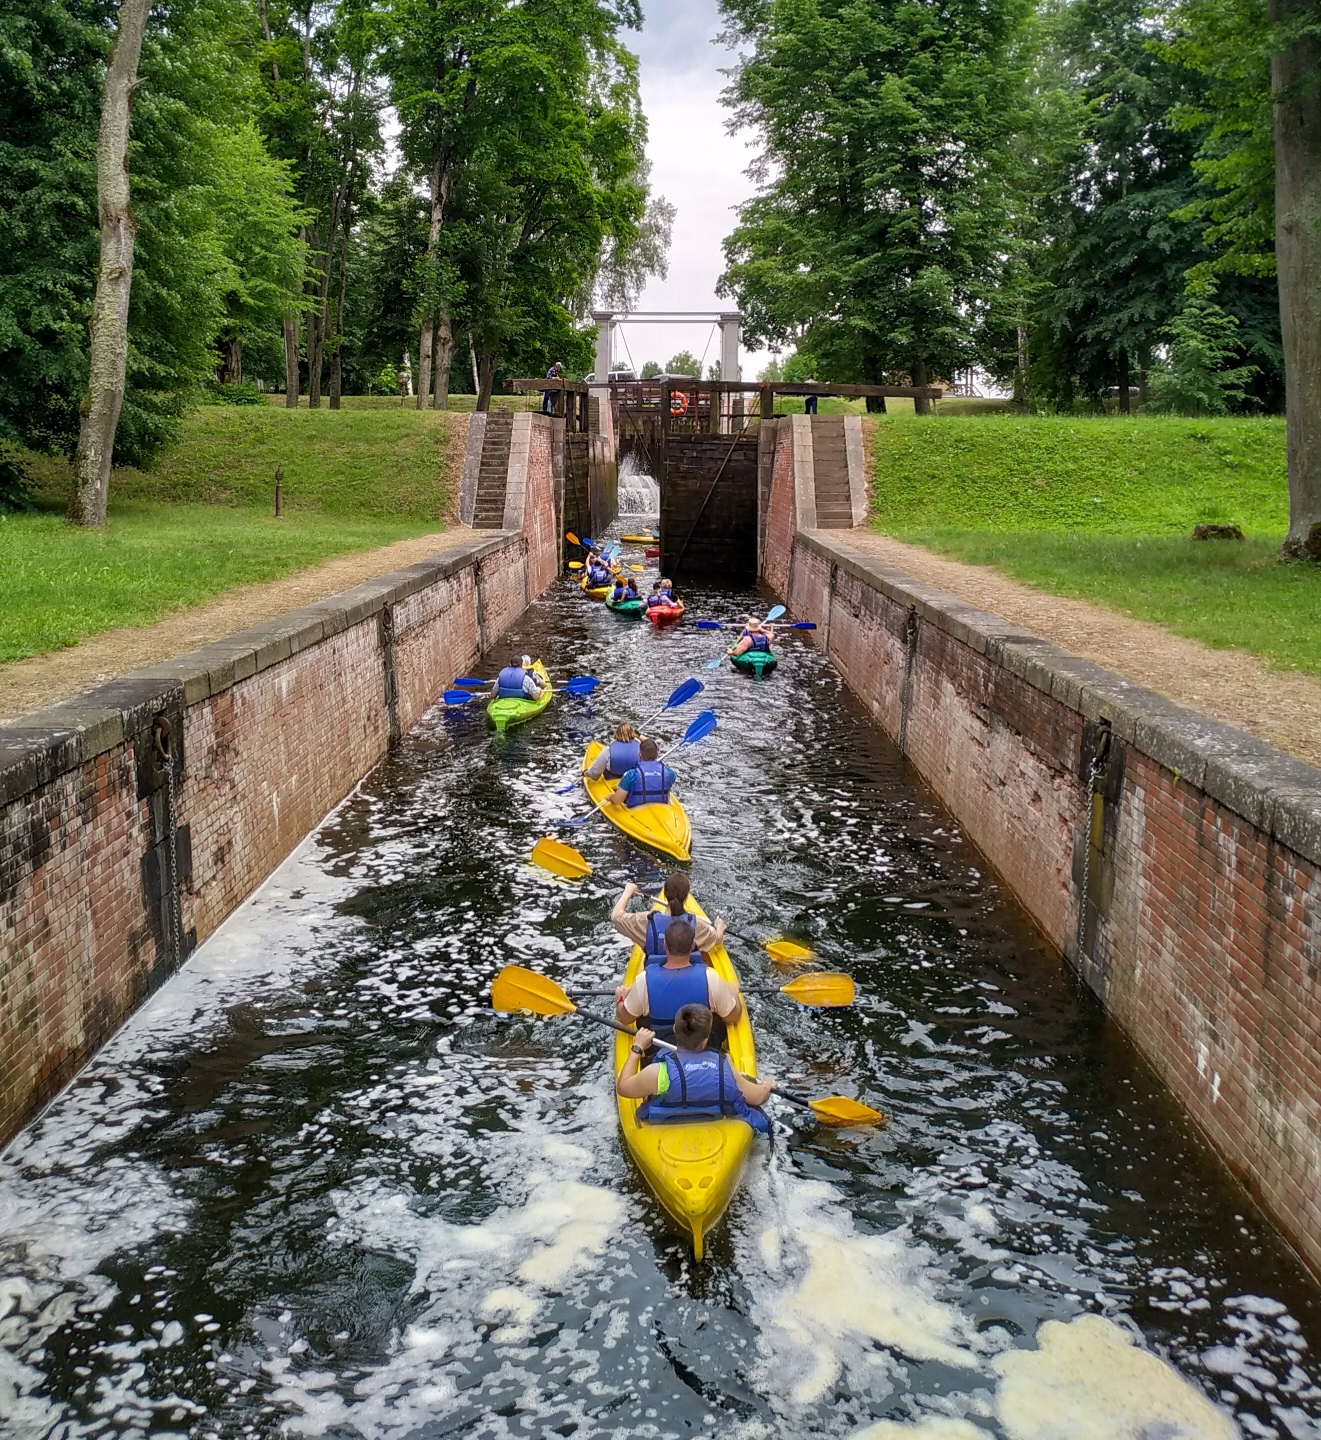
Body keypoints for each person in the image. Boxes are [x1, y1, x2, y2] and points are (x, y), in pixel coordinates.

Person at [616, 1004, 774, 1134]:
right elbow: (758, 1098)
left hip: (661, 1128)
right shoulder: (724, 1068)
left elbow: (623, 1087)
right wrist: (768, 1086)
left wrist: (638, 1047)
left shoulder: (657, 1073)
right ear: (705, 1041)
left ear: (674, 1030)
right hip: (712, 1126)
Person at [614, 918, 743, 1042]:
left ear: (664, 945)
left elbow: (625, 1019)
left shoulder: (643, 980)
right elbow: (733, 1016)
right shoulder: (711, 978)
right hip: (700, 1046)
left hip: (660, 1050)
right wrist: (734, 994)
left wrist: (621, 999)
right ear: (693, 946)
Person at [610, 875, 726, 958]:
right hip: (685, 975)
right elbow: (716, 939)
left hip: (654, 977)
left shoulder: (645, 920)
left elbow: (615, 916)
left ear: (665, 894)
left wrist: (628, 892)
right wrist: (719, 928)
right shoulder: (697, 926)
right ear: (686, 897)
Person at [607, 736, 676, 809]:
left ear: (639, 754)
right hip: (663, 809)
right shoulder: (670, 773)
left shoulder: (631, 775)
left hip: (635, 811)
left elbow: (617, 801)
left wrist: (610, 797)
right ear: (657, 754)